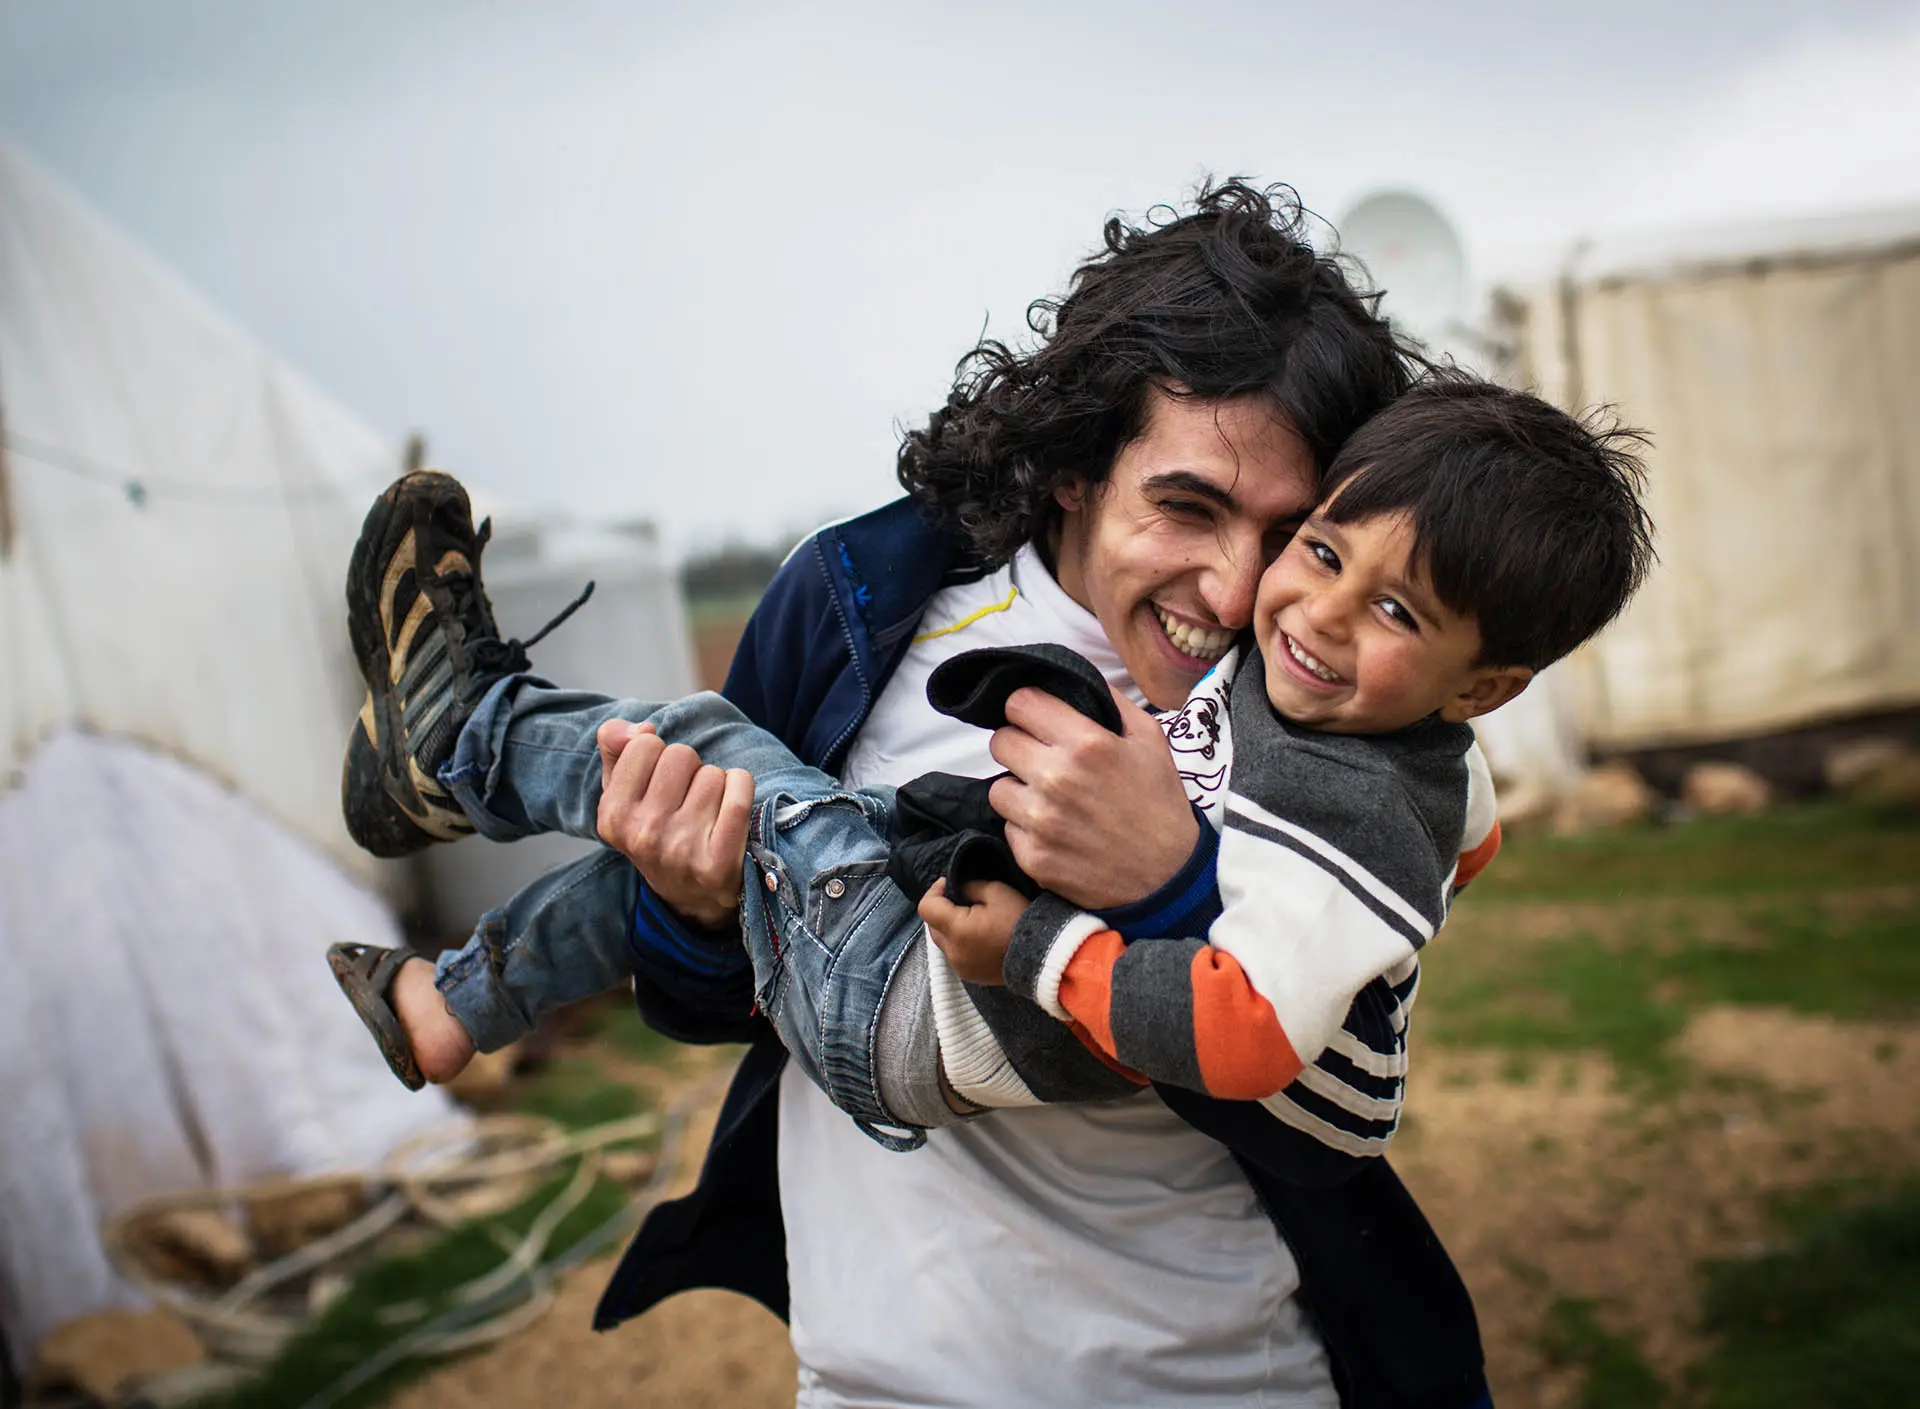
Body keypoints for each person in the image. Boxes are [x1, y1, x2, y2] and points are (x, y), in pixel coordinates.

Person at [349, 181, 1500, 1407]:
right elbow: (715, 1002)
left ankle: (467, 737)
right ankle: (458, 885)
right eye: (1186, 506)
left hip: (1217, 1373)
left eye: (1286, 531)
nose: (1231, 589)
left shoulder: (1331, 717)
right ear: (1073, 468)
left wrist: (1168, 877)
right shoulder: (859, 603)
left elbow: (1321, 1109)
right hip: (879, 1372)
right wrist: (686, 911)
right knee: (747, 790)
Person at [332, 374, 1653, 1157]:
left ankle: (464, 736)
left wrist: (1045, 944)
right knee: (717, 817)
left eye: (1399, 612)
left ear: (1483, 685)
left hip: (925, 1010)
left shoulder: (1354, 797)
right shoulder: (1389, 741)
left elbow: (1251, 1037)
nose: (1304, 609)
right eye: (1324, 550)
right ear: (1083, 469)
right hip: (915, 997)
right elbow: (1468, 836)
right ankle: (448, 1009)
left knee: (719, 756)